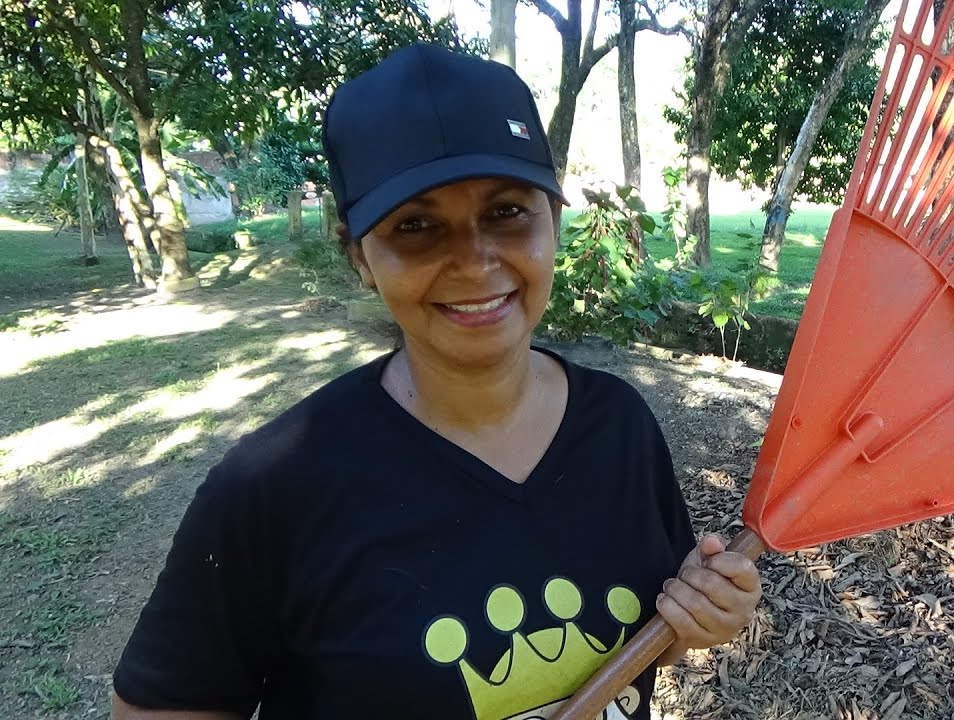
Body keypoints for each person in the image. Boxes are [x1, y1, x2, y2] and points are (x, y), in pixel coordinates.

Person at [111, 43, 762, 720]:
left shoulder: (620, 425)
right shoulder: (275, 489)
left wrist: (699, 618)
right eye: (416, 226)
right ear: (359, 256)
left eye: (507, 211)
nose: (475, 262)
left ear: (553, 220)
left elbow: (636, 634)